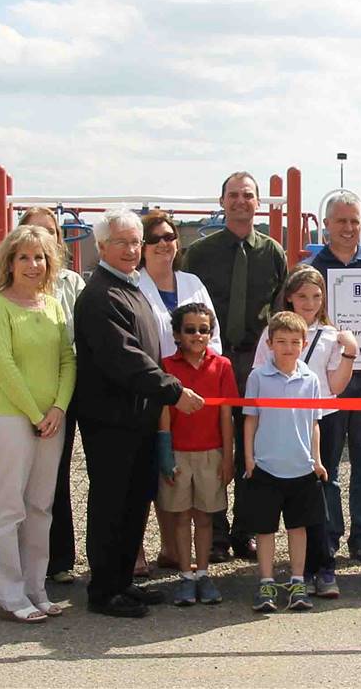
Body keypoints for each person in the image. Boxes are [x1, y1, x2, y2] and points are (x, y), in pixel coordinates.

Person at [71, 210, 205, 619]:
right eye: (122, 243)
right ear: (102, 248)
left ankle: (122, 581)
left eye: (135, 242)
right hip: (112, 421)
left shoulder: (129, 288)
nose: (131, 250)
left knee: (134, 503)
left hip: (138, 417)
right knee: (112, 504)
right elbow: (124, 359)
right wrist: (173, 390)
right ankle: (104, 589)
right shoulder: (100, 296)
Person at [180, 171, 287, 560]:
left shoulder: (273, 252)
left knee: (250, 444)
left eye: (248, 195)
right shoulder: (201, 254)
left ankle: (245, 530)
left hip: (256, 360)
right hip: (211, 360)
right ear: (222, 201)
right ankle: (217, 533)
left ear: (258, 203)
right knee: (214, 443)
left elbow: (280, 309)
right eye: (233, 195)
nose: (241, 202)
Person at [0, 224, 76, 623]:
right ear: (10, 262)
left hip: (52, 421)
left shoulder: (53, 305)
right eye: (24, 257)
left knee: (41, 507)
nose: (33, 265)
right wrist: (36, 415)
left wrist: (57, 408)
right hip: (12, 418)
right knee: (8, 508)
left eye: (40, 257)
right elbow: (2, 366)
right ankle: (10, 592)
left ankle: (37, 587)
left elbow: (68, 360)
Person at [249, 266, 359, 598]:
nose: (309, 302)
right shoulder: (272, 333)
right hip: (283, 421)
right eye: (302, 296)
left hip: (322, 418)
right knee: (291, 493)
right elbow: (258, 380)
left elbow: (335, 386)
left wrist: (350, 352)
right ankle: (296, 570)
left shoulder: (330, 334)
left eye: (316, 296)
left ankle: (322, 567)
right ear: (289, 298)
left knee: (323, 490)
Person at [303, 192, 361, 566]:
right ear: (326, 225)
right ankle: (327, 537)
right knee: (326, 463)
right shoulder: (310, 271)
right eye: (341, 221)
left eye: (354, 220)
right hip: (326, 382)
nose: (348, 228)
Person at [135, 209, 223, 575]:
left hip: (193, 394)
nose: (162, 245)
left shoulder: (192, 282)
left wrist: (200, 376)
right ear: (142, 246)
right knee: (146, 472)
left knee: (176, 476)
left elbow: (212, 335)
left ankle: (174, 550)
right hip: (149, 391)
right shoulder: (132, 283)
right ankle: (136, 551)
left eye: (169, 237)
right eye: (153, 239)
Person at [16, 206, 88, 587]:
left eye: (49, 232)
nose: (41, 239)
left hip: (63, 394)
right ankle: (17, 562)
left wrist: (61, 400)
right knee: (19, 480)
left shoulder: (72, 285)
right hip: (19, 395)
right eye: (33, 231)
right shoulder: (6, 289)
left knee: (55, 477)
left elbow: (75, 344)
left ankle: (56, 558)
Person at [239, 310, 329, 613]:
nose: (288, 347)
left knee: (298, 527)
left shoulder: (311, 379)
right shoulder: (258, 377)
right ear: (270, 343)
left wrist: (316, 460)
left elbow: (314, 423)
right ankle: (266, 582)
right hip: (266, 466)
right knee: (265, 530)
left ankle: (296, 581)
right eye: (281, 341)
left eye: (294, 341)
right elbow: (250, 420)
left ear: (303, 344)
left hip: (301, 467)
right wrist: (249, 458)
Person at [158, 302, 234, 608]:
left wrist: (228, 457)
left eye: (204, 330)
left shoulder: (222, 366)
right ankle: (185, 576)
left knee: (205, 517)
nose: (197, 335)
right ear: (177, 334)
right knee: (180, 517)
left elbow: (226, 415)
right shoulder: (166, 366)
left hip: (210, 453)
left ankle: (203, 573)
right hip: (178, 453)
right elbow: (163, 413)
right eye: (190, 330)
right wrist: (165, 454)